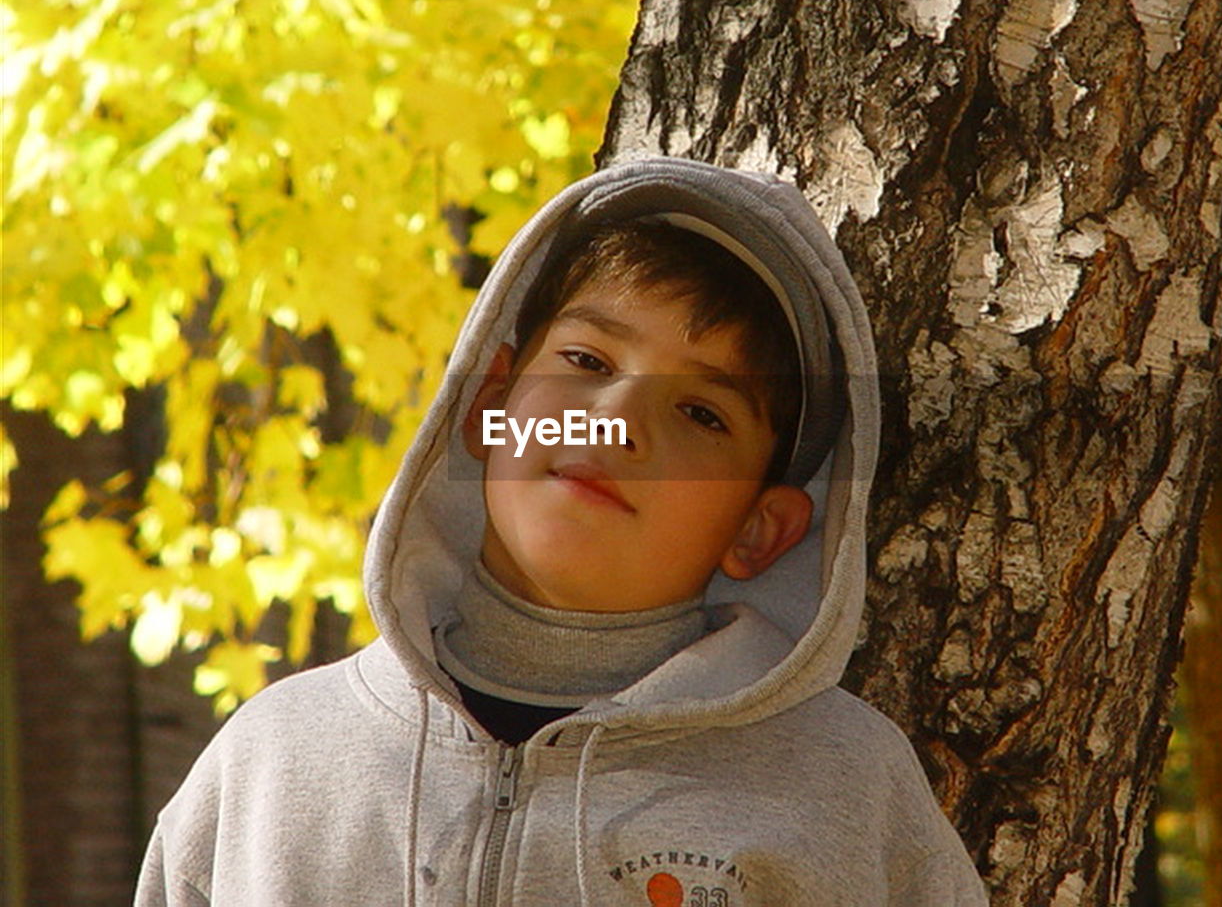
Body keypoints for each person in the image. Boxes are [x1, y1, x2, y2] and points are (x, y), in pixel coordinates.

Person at [134, 157, 989, 906]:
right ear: (490, 405)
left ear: (761, 531)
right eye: (587, 362)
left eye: (700, 412)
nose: (615, 422)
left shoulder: (845, 788)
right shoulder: (274, 761)